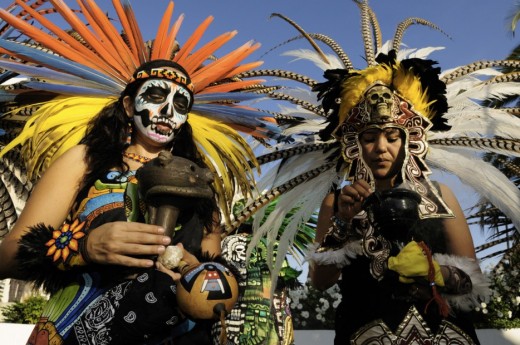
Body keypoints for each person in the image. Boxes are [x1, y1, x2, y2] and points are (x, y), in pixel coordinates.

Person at [0, 1, 278, 344]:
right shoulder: (84, 160)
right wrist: (85, 248)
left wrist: (197, 270)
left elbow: (215, 267)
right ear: (129, 105)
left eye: (180, 105)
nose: (166, 111)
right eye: (157, 96)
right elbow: (8, 255)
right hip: (80, 328)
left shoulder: (200, 182)